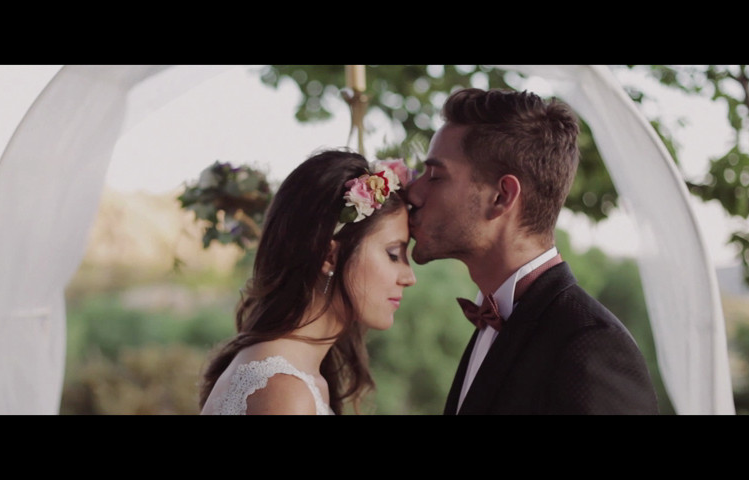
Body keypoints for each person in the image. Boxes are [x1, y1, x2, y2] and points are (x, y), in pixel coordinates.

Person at [406, 88, 659, 414]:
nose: (413, 191)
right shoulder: (494, 321)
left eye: (436, 176)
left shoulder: (592, 348)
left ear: (501, 196)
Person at [199, 149, 416, 415]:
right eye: (393, 254)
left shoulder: (289, 375)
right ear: (330, 255)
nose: (409, 277)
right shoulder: (284, 390)